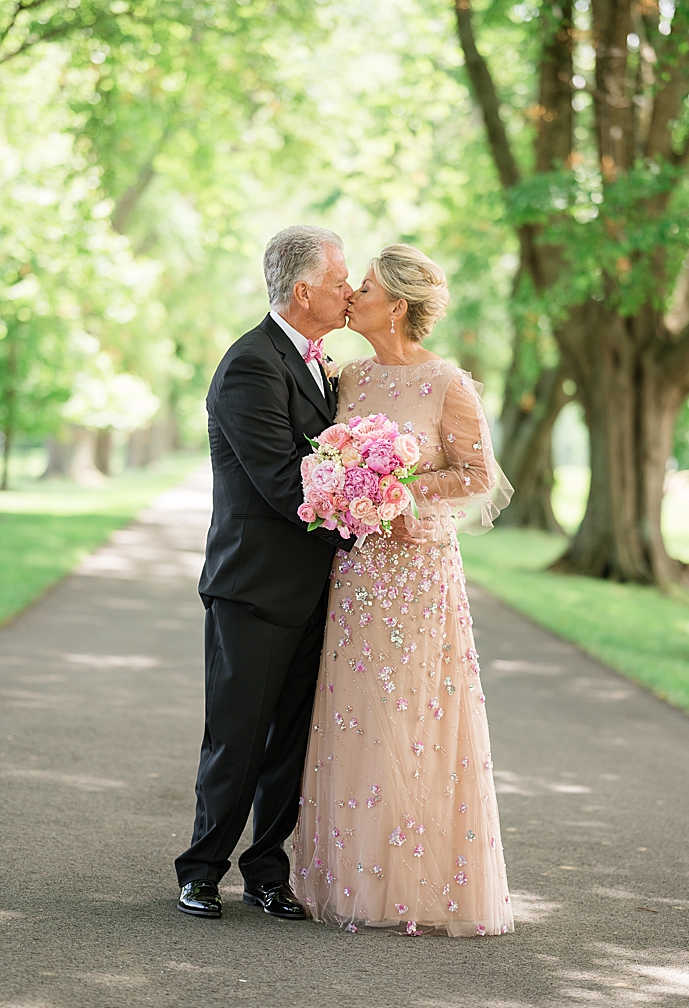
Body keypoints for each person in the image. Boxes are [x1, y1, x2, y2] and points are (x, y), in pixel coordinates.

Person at [289, 243, 515, 936]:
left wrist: (401, 486)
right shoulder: (348, 377)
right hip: (357, 575)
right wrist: (347, 489)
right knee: (357, 721)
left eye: (366, 287)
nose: (351, 292)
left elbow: (478, 475)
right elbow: (330, 460)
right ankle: (353, 879)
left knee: (414, 719)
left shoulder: (448, 382)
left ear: (398, 305)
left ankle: (416, 885)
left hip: (419, 574)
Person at [177, 225, 358, 919]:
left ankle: (265, 870)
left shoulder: (320, 364)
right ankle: (200, 868)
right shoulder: (252, 363)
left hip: (315, 588)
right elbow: (285, 482)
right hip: (253, 587)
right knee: (238, 735)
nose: (349, 289)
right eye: (340, 279)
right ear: (304, 288)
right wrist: (368, 511)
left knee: (290, 742)